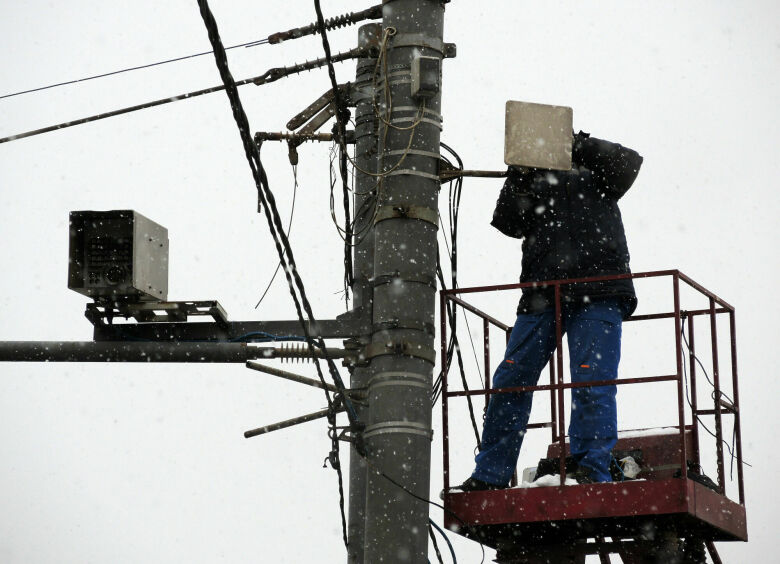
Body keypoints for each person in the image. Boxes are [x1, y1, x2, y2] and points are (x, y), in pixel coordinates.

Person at [459, 131, 643, 490]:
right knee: (511, 381)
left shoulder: (596, 166)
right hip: (547, 293)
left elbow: (629, 164)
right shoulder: (533, 176)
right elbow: (508, 221)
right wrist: (520, 172)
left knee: (591, 380)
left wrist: (576, 143)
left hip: (596, 289)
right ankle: (490, 475)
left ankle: (592, 469)